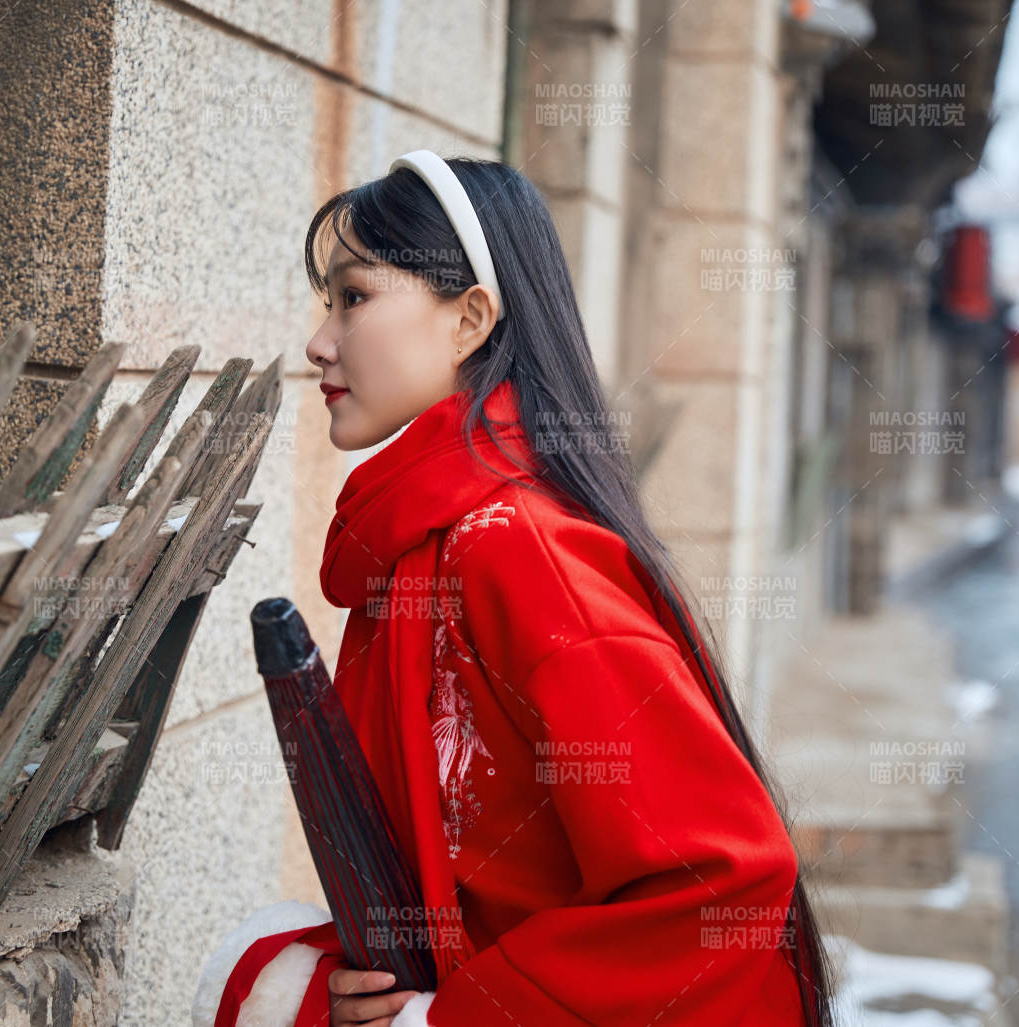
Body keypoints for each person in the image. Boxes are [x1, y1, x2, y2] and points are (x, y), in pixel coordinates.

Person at [191, 151, 833, 1026]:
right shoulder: (423, 546)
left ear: (471, 319)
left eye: (355, 296)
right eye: (326, 301)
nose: (319, 340)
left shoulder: (516, 549)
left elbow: (720, 877)